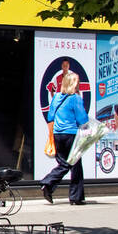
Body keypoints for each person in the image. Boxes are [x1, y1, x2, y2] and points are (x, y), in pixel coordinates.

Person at [40, 71, 89, 205]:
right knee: (75, 165)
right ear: (73, 84)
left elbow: (50, 116)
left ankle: (49, 185)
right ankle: (75, 197)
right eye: (77, 82)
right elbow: (82, 119)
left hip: (58, 135)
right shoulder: (75, 98)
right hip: (71, 135)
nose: (79, 85)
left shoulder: (56, 97)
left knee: (63, 163)